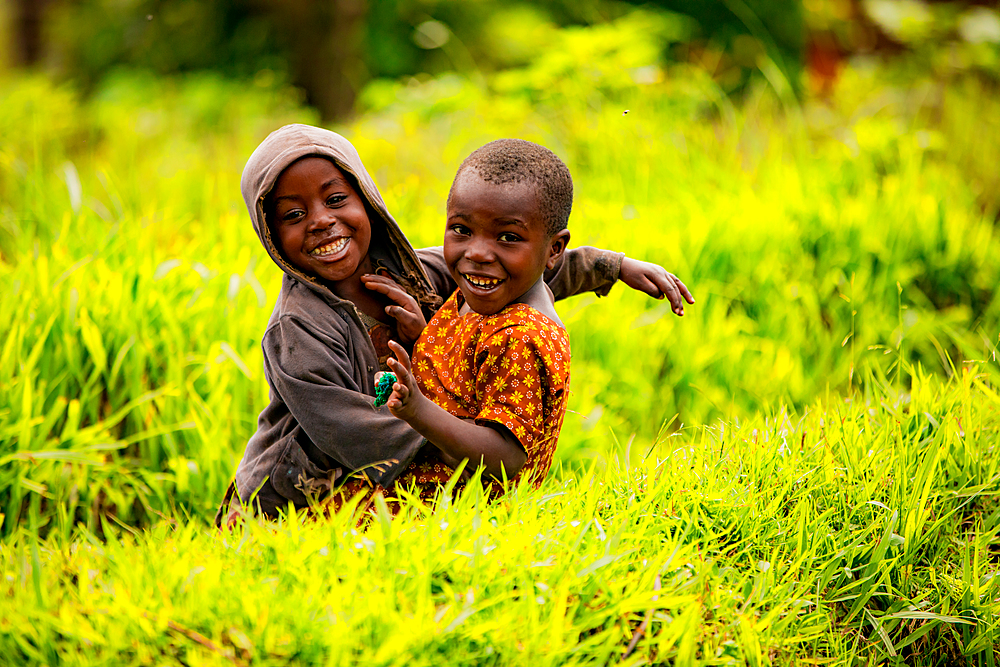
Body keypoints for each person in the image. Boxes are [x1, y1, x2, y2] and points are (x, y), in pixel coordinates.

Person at [216, 124, 694, 525]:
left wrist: (613, 267)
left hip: (391, 482)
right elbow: (353, 432)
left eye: (336, 199)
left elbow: (507, 274)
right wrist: (457, 438)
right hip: (295, 497)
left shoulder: (413, 272)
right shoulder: (297, 331)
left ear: (366, 200)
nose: (321, 221)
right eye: (294, 215)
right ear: (271, 234)